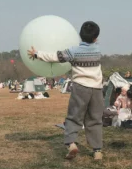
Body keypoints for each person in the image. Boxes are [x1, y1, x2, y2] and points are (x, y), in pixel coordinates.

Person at [27, 21, 103, 160]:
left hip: (80, 87)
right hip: (97, 89)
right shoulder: (97, 51)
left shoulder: (74, 51)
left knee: (74, 116)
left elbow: (55, 57)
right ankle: (97, 150)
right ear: (95, 38)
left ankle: (71, 143)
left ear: (80, 36)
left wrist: (37, 54)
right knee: (95, 119)